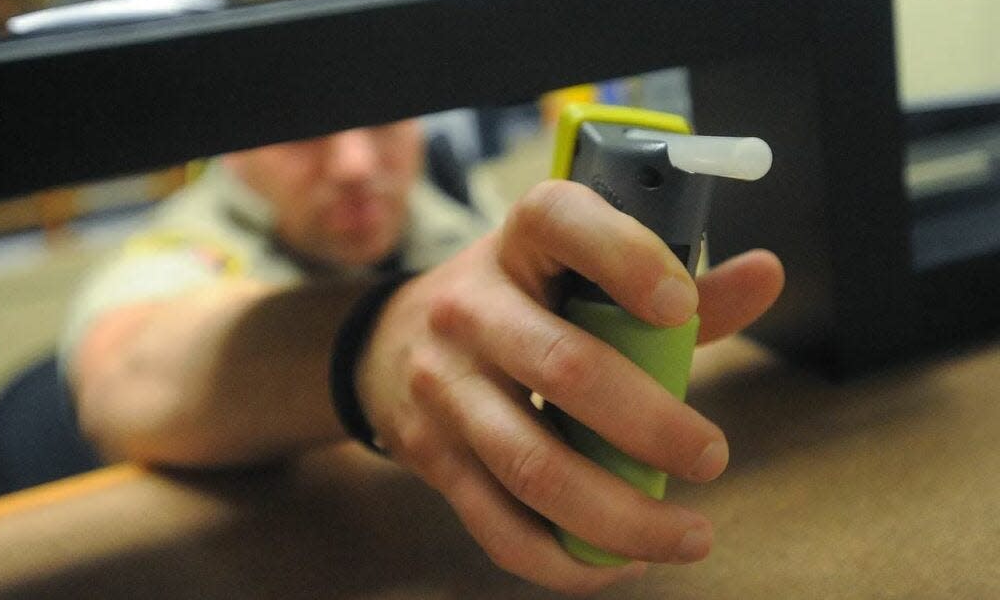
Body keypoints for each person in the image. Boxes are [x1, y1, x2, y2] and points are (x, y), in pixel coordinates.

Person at [59, 118, 784, 595]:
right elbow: (124, 364)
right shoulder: (189, 237)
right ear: (234, 144)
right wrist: (375, 341)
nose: (352, 162)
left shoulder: (445, 209)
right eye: (301, 134)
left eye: (379, 123)